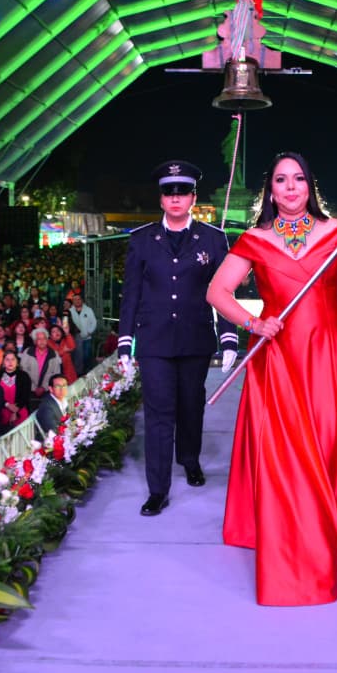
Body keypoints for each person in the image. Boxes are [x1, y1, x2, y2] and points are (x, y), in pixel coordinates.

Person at [206, 151, 337, 606]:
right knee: (287, 456)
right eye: (282, 180)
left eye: (299, 179)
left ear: (311, 186)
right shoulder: (254, 238)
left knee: (326, 446)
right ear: (270, 189)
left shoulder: (336, 233)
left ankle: (332, 525)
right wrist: (253, 325)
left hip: (329, 356)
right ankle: (293, 544)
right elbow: (217, 291)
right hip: (278, 359)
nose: (291, 187)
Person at [118, 161, 238, 516]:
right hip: (154, 341)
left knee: (190, 404)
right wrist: (126, 341)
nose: (175, 199)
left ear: (193, 197)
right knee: (157, 413)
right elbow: (131, 294)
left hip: (195, 338)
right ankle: (158, 489)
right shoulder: (141, 240)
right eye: (169, 193)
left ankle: (190, 458)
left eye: (181, 192)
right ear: (161, 199)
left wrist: (229, 335)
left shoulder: (213, 239)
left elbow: (224, 289)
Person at [0, 350, 32, 429]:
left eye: (13, 359)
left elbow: (26, 395)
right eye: (7, 359)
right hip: (1, 412)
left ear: (17, 362)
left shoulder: (24, 376)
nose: (10, 362)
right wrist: (7, 405)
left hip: (20, 410)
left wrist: (15, 411)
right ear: (3, 362)